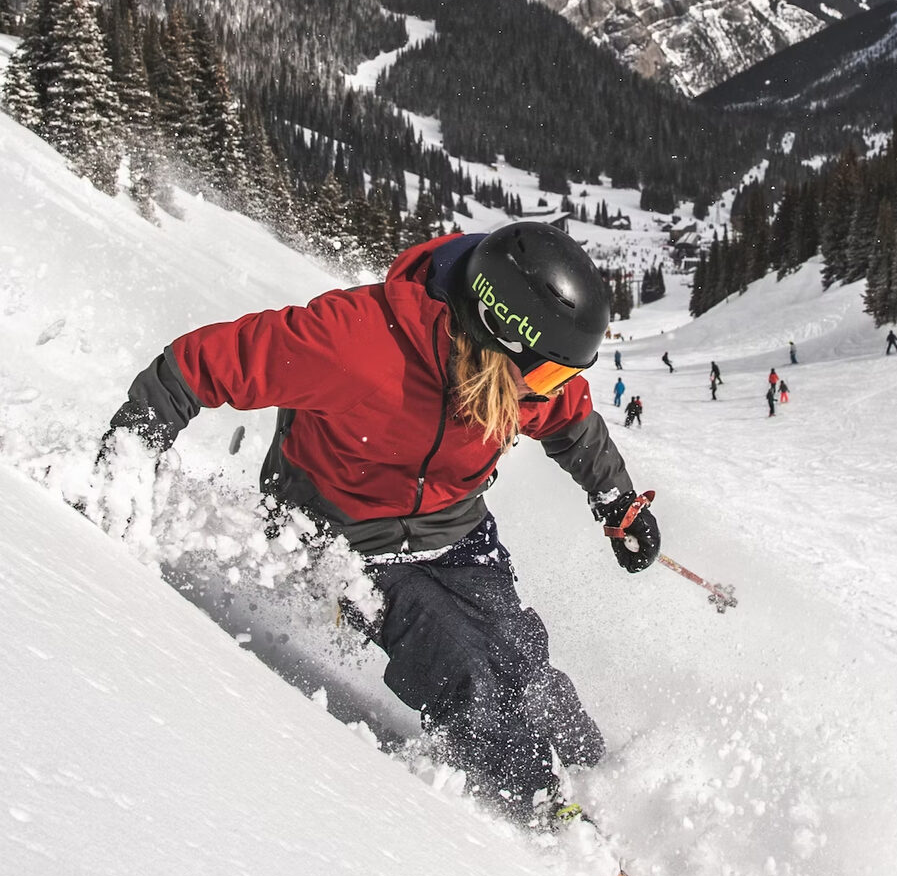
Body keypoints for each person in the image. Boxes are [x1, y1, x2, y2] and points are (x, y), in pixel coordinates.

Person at [100, 223, 660, 818]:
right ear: (499, 334)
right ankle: (546, 811)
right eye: (548, 374)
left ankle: (600, 780)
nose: (550, 392)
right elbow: (205, 362)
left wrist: (617, 500)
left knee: (527, 669)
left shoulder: (525, 385)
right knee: (463, 668)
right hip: (343, 536)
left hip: (455, 530)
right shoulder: (359, 346)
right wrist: (127, 458)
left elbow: (572, 423)